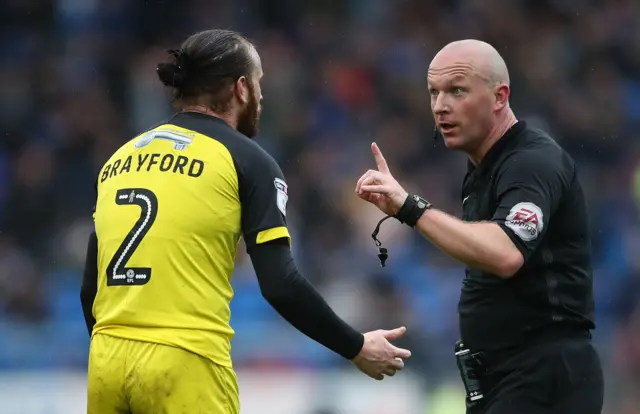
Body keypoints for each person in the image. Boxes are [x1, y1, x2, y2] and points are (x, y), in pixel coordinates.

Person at [80, 29, 411, 414]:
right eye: (258, 83)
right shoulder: (247, 159)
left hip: (106, 361)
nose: (262, 96)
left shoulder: (119, 160)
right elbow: (280, 284)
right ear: (241, 88)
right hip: (186, 361)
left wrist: (123, 354)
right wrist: (355, 346)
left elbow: (91, 288)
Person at [355, 39, 604, 414]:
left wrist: (410, 207)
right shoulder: (482, 171)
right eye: (434, 92)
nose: (440, 106)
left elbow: (505, 253)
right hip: (506, 379)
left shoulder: (531, 162)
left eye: (456, 91)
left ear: (499, 96)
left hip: (543, 376)